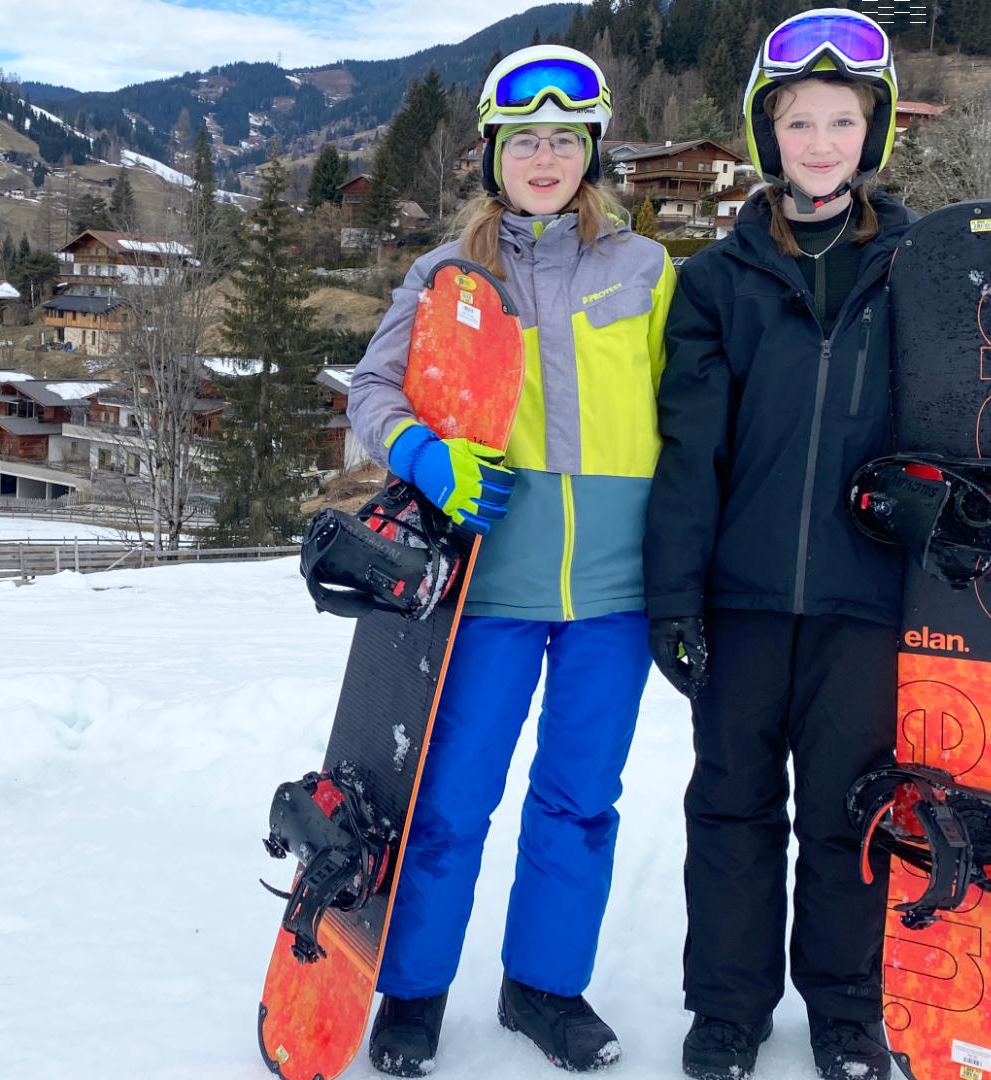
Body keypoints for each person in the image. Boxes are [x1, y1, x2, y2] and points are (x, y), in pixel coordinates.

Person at [643, 10, 991, 1080]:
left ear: (872, 134)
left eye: (839, 122)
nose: (818, 143)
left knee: (854, 817)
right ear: (769, 139)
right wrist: (676, 600)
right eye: (798, 122)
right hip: (742, 598)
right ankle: (727, 1011)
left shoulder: (921, 273)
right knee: (730, 807)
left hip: (867, 598)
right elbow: (687, 458)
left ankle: (848, 1012)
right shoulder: (716, 285)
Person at [345, 43, 676, 1076]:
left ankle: (543, 987)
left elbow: (698, 411)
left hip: (614, 590)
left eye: (565, 141)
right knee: (450, 800)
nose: (545, 157)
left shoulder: (647, 270)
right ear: (494, 155)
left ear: (593, 154)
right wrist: (424, 456)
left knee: (581, 798)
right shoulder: (447, 276)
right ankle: (412, 990)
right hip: (487, 585)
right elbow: (370, 392)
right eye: (525, 140)